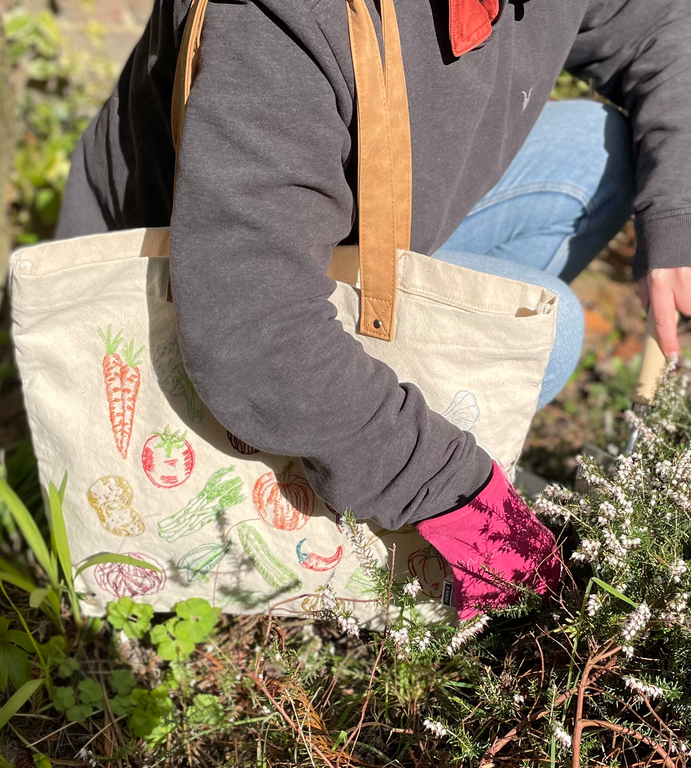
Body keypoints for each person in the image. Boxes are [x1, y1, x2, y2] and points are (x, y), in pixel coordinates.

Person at [54, 0, 691, 620]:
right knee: (556, 332)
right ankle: (383, 511)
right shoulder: (279, 15)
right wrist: (457, 495)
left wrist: (678, 213)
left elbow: (662, 24)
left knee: (594, 147)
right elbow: (251, 334)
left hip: (344, 235)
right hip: (208, 299)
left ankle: (400, 441)